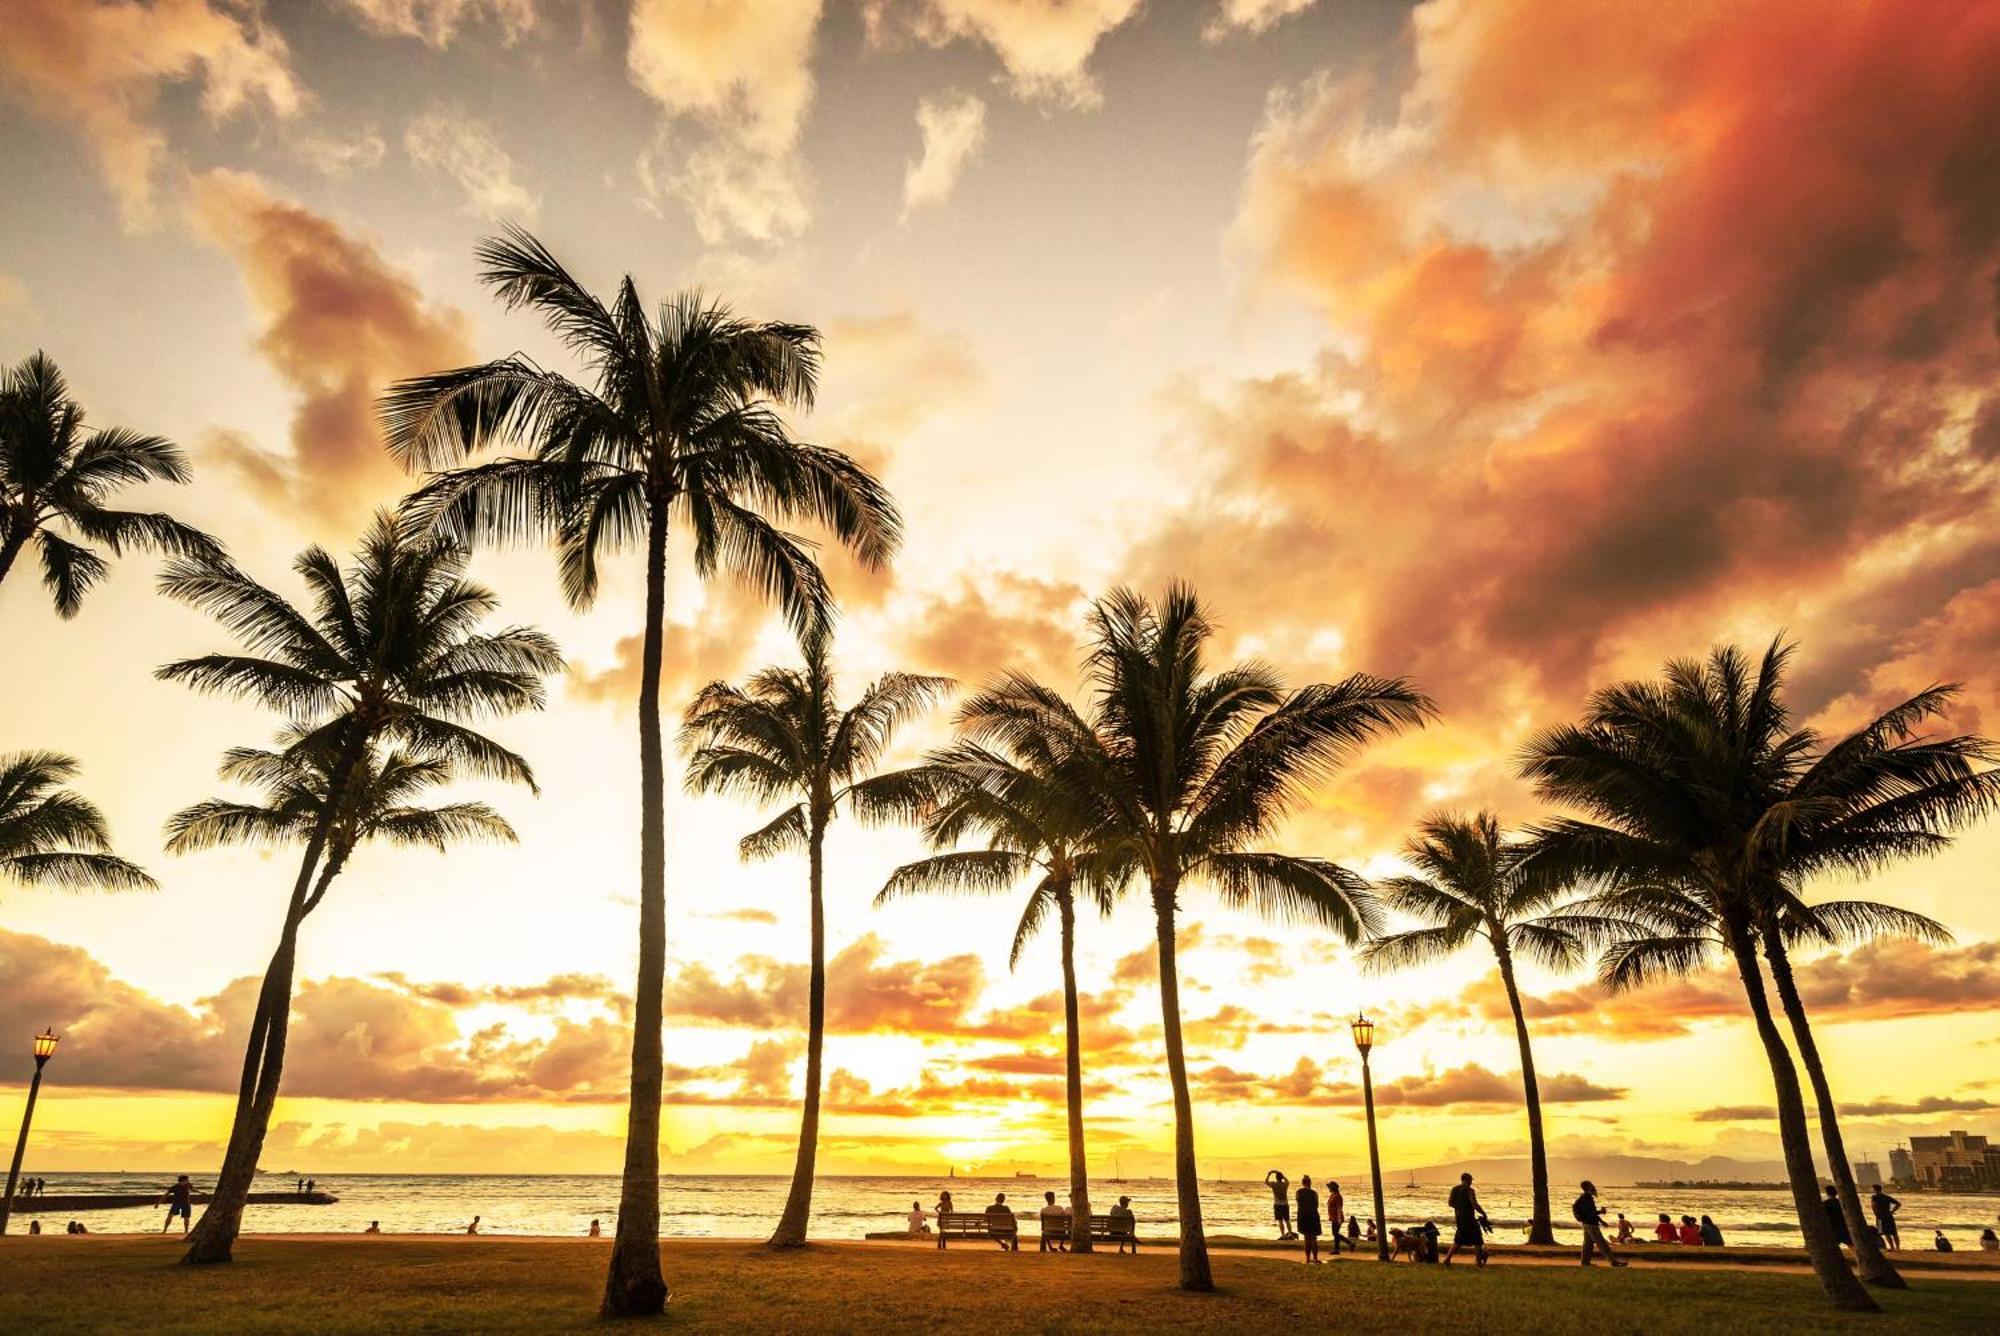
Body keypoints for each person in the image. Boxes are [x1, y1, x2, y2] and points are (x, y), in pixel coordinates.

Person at [1574, 1181, 1627, 1268]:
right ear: (1588, 1187)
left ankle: (1585, 1263)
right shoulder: (1587, 1198)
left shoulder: (1583, 1197)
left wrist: (1600, 1214)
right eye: (1591, 1185)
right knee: (1602, 1243)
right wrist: (1601, 1220)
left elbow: (1590, 1212)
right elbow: (1592, 1213)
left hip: (1586, 1223)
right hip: (1591, 1224)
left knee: (1588, 1244)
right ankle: (1613, 1261)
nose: (1593, 1186)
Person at [1444, 1172, 1490, 1267]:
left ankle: (1447, 1259)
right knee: (1477, 1240)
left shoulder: (1454, 1189)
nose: (1471, 1182)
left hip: (1459, 1218)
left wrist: (1459, 1208)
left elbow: (1450, 1203)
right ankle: (1478, 1262)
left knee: (1458, 1240)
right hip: (1469, 1219)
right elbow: (1475, 1205)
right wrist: (1483, 1213)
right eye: (1470, 1180)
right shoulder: (1469, 1191)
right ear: (1466, 1180)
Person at [1296, 1175, 1322, 1263]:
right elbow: (1317, 1205)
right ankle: (1315, 1258)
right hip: (1313, 1215)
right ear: (1310, 1183)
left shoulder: (1298, 1192)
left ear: (1302, 1183)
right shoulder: (1314, 1193)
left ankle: (1307, 1258)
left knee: (1306, 1238)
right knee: (1313, 1238)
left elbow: (1298, 1202)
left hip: (1302, 1215)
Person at [1265, 1169, 1293, 1240]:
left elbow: (1266, 1182)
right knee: (1287, 1220)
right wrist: (1281, 1174)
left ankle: (1283, 1234)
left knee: (1280, 1220)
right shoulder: (1285, 1184)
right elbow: (1287, 1181)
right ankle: (1290, 1233)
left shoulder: (1274, 1184)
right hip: (1285, 1204)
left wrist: (1269, 1174)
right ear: (1281, 1177)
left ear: (1276, 1178)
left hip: (1277, 1204)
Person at [1821, 1184, 1851, 1248]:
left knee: (1832, 1246)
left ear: (1827, 1193)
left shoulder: (1825, 1204)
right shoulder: (1841, 1202)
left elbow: (1824, 1216)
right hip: (1844, 1226)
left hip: (1833, 1227)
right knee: (1851, 1245)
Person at [1326, 1180, 1345, 1254]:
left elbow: (1339, 1208)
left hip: (1337, 1217)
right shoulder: (1332, 1195)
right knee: (1335, 1233)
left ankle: (1337, 1249)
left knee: (1335, 1233)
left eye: (1329, 1187)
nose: (1328, 1189)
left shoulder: (1338, 1196)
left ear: (1333, 1188)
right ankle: (1339, 1248)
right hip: (1333, 1217)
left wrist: (1339, 1218)